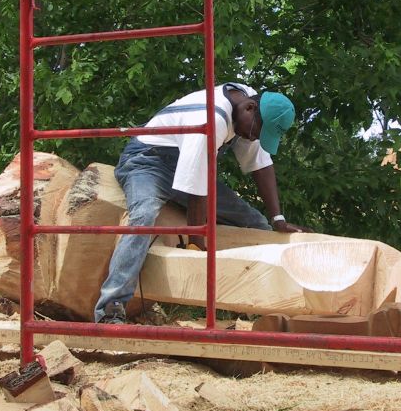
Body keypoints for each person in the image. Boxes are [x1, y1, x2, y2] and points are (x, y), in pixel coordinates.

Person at [95, 82, 310, 323]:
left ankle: (257, 313)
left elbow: (260, 165)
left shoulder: (251, 106)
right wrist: (196, 243)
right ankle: (110, 308)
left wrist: (277, 219)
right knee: (144, 217)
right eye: (256, 132)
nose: (253, 138)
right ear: (249, 108)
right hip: (148, 161)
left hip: (185, 165)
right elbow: (197, 187)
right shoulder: (213, 118)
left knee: (256, 224)